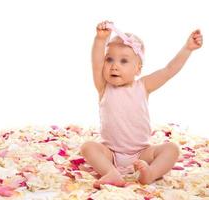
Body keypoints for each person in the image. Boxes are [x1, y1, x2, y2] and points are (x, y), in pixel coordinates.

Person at [80, 21, 203, 187]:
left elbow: (168, 71)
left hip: (141, 153)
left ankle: (150, 173)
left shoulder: (144, 86)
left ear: (138, 68)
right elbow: (96, 65)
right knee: (88, 147)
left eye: (123, 61)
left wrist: (187, 49)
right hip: (111, 153)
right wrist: (100, 40)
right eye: (109, 59)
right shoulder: (103, 87)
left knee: (171, 149)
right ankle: (111, 172)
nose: (114, 66)